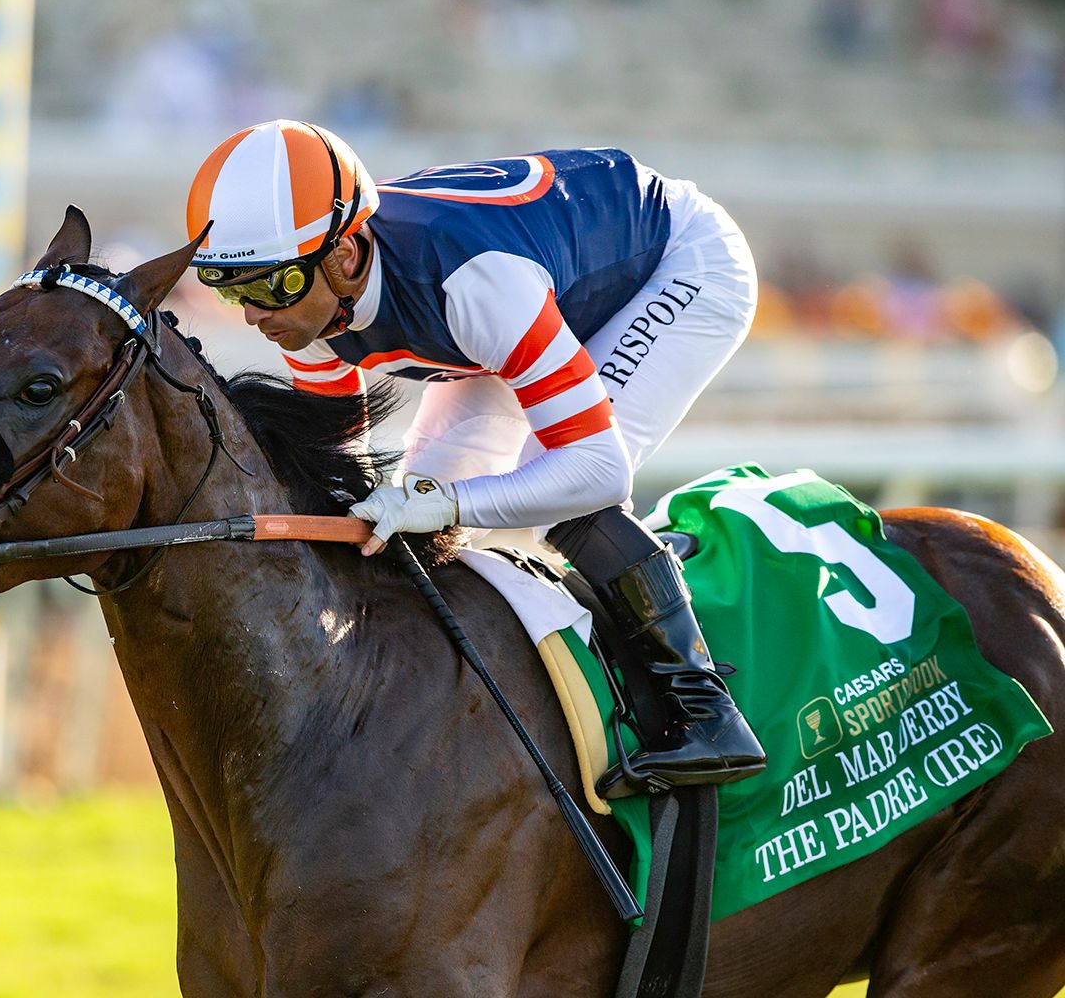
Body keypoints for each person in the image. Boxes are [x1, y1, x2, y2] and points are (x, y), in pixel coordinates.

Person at [184, 119, 764, 796]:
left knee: (552, 489)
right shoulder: (308, 304)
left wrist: (447, 504)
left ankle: (707, 710)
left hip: (677, 261)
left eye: (270, 287)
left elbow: (598, 470)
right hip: (536, 292)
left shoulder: (475, 283)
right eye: (233, 290)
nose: (254, 316)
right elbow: (342, 474)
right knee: (422, 526)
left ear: (343, 256)